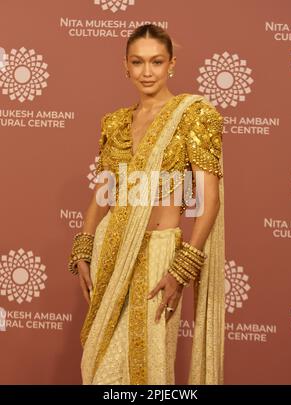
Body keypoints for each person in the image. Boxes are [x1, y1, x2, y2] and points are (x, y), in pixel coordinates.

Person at [68, 23, 225, 385]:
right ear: (126, 66)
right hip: (113, 248)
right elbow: (103, 190)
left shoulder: (192, 115)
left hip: (159, 255)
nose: (147, 71)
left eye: (156, 61)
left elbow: (209, 199)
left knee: (150, 368)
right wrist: (85, 244)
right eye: (138, 62)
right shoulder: (116, 122)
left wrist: (182, 266)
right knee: (100, 369)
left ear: (171, 64)